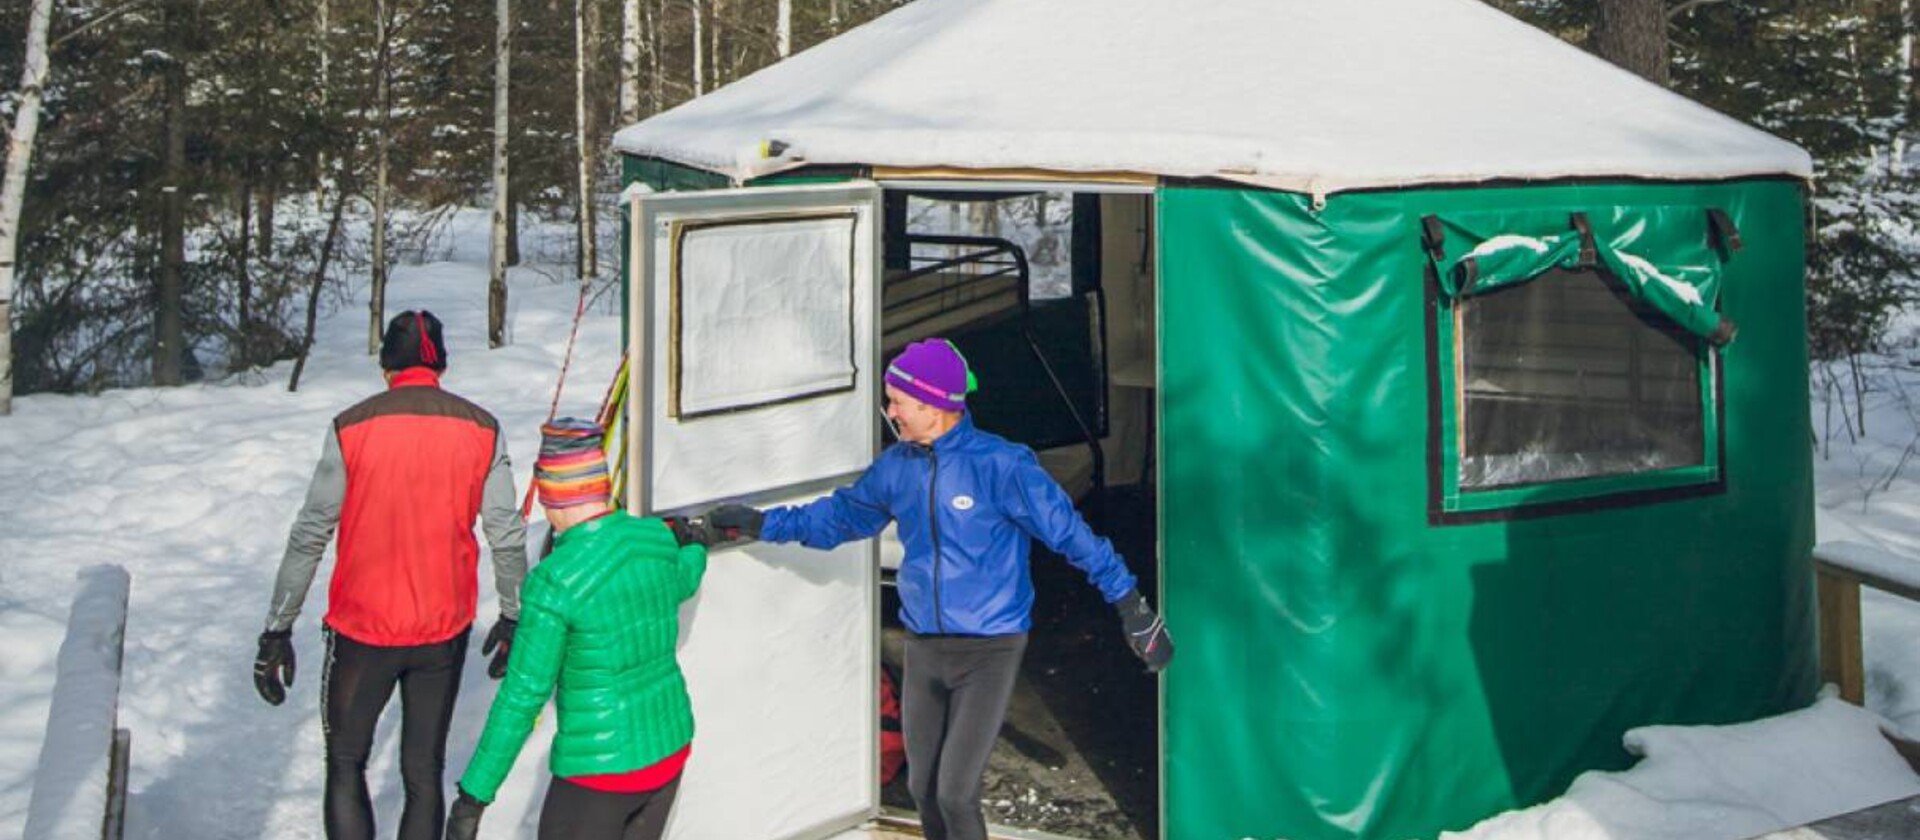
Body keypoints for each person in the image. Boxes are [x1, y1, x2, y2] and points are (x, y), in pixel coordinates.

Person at [703, 337, 1173, 840]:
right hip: (924, 644)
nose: (891, 413)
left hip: (990, 648)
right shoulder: (896, 469)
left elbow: (1075, 539)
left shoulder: (1002, 466)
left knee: (954, 793)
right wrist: (758, 523)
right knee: (925, 789)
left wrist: (1133, 608)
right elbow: (838, 518)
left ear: (932, 405)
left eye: (898, 402)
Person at [253, 310, 528, 840]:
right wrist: (514, 614)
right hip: (442, 630)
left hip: (361, 631)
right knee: (424, 773)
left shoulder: (351, 426)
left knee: (347, 762)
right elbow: (506, 532)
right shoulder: (482, 428)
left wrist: (277, 628)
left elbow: (311, 532)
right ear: (440, 365)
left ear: (386, 366)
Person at [445, 417, 709, 840]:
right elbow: (686, 576)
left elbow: (522, 698)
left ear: (557, 496)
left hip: (599, 772)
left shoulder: (554, 582)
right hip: (669, 748)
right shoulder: (655, 541)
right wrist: (697, 540)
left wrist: (472, 798)